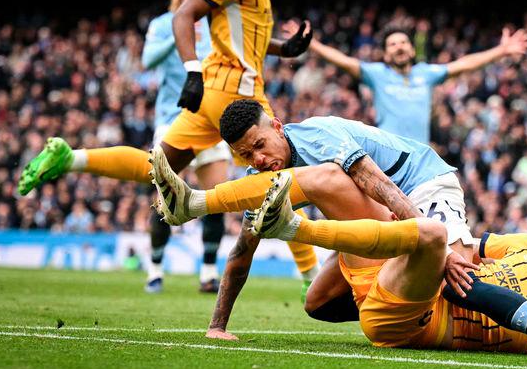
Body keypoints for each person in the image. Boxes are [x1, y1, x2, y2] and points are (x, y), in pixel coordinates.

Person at [16, 0, 320, 296]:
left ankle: (71, 158)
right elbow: (183, 16)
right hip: (236, 92)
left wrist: (284, 48)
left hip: (218, 89)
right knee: (280, 174)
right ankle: (311, 276)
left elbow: (244, 38)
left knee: (159, 169)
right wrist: (191, 69)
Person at [210, 170, 527, 357]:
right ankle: (206, 200)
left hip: (419, 319)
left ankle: (294, 229)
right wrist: (449, 259)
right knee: (329, 179)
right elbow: (467, 246)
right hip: (409, 278)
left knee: (430, 232)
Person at [149, 99, 479, 299]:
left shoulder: (317, 135)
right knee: (318, 302)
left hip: (422, 182)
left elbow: (380, 184)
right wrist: (218, 325)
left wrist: (440, 248)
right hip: (384, 212)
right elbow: (243, 247)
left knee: (458, 272)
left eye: (261, 145)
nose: (259, 160)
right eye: (247, 155)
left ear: (277, 127)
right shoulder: (261, 180)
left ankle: (484, 256)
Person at [303, 25, 527, 143]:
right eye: (392, 44)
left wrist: (501, 51)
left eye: (403, 42)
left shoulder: (426, 74)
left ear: (412, 49)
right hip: (389, 156)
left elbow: (464, 64)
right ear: (385, 53)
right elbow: (343, 61)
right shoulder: (376, 73)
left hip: (420, 156)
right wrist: (312, 44)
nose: (399, 47)